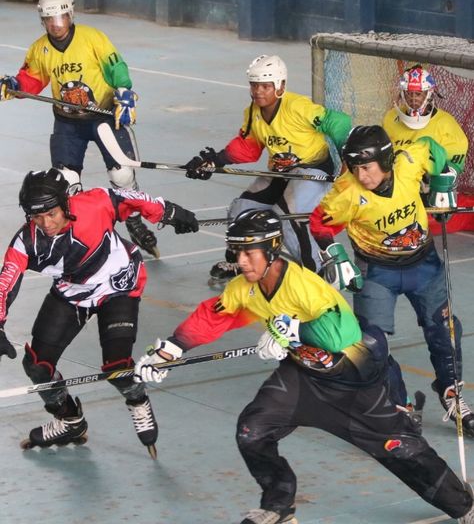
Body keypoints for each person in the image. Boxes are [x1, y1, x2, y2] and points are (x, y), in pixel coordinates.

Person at [134, 209, 474, 524]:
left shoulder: (303, 286)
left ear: (271, 250)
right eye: (237, 252)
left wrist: (292, 330)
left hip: (353, 379)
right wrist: (169, 351)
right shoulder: (245, 288)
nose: (241, 261)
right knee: (252, 431)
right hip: (304, 376)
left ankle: (463, 506)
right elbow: (214, 316)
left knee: (401, 451)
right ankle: (278, 507)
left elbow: (344, 334)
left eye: (248, 252)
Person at [0, 168, 198, 457]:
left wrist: (169, 212)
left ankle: (137, 399)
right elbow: (6, 281)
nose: (45, 223)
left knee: (117, 367)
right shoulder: (26, 243)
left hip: (118, 285)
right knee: (37, 365)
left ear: (65, 203)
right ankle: (69, 420)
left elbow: (133, 198)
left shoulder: (94, 203)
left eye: (51, 213)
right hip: (72, 292)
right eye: (36, 217)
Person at [309, 124, 474, 436]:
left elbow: (433, 147)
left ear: (386, 161)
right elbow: (318, 222)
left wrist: (443, 180)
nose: (362, 176)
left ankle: (453, 396)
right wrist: (335, 253)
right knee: (370, 345)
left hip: (423, 263)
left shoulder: (410, 161)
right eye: (355, 168)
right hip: (377, 272)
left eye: (367, 167)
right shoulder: (346, 193)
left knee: (446, 330)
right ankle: (400, 406)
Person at [0, 0, 160, 258]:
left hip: (103, 116)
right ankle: (89, 234)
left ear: (70, 14)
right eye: (50, 20)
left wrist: (124, 93)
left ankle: (133, 219)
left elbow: (116, 68)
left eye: (61, 17)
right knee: (67, 182)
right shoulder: (40, 48)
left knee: (122, 174)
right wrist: (14, 85)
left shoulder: (92, 38)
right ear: (43, 20)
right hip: (67, 123)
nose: (56, 25)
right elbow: (33, 79)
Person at [183, 54, 352, 285]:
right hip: (281, 172)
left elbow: (339, 122)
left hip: (313, 169)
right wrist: (215, 161)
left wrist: (347, 158)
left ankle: (318, 275)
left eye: (265, 85)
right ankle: (242, 263)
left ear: (280, 85)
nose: (258, 91)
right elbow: (248, 147)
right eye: (254, 85)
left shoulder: (297, 106)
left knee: (289, 217)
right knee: (242, 209)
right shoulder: (253, 112)